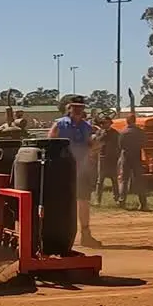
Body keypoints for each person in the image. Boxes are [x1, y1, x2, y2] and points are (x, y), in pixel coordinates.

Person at [48, 95, 101, 247]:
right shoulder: (59, 125)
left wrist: (95, 146)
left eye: (80, 107)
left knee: (83, 202)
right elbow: (50, 144)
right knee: (61, 204)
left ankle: (86, 235)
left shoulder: (87, 127)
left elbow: (93, 146)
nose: (78, 110)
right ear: (69, 108)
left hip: (82, 170)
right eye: (75, 107)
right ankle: (58, 237)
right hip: (63, 171)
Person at [118, 113, 148, 211]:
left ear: (127, 121)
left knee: (124, 180)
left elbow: (120, 145)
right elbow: (144, 143)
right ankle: (143, 203)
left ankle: (122, 201)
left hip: (126, 156)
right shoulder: (140, 132)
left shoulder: (123, 132)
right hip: (136, 156)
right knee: (139, 180)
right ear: (135, 121)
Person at [94, 116, 121, 205]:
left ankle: (117, 199)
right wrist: (103, 134)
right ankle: (98, 200)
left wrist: (117, 156)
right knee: (100, 180)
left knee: (114, 180)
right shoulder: (99, 132)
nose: (103, 124)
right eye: (102, 123)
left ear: (109, 123)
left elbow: (119, 145)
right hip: (102, 158)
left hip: (112, 159)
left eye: (105, 123)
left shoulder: (115, 133)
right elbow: (97, 142)